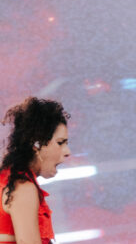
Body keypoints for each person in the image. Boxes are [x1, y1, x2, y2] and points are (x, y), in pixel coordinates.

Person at [1, 97, 71, 244]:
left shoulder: (8, 178)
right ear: (37, 144)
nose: (67, 152)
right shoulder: (23, 187)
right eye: (60, 143)